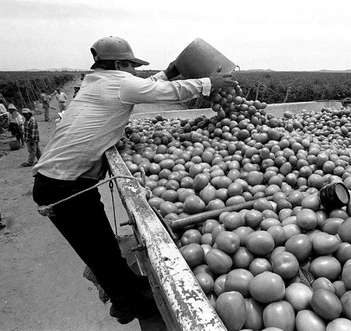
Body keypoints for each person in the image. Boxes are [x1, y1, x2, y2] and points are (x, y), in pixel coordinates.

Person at [31, 36, 236, 324]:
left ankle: (132, 289)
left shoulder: (99, 82)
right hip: (63, 185)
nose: (133, 71)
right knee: (99, 251)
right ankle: (126, 305)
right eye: (130, 65)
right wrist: (209, 83)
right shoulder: (117, 82)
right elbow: (165, 92)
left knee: (102, 245)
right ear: (119, 64)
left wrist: (168, 72)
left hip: (63, 179)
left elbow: (143, 88)